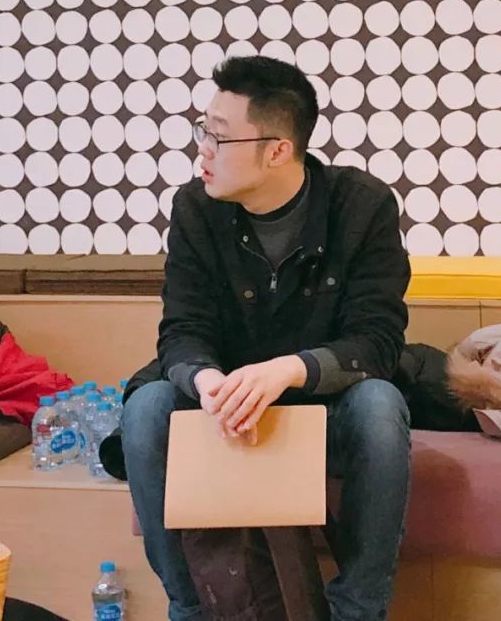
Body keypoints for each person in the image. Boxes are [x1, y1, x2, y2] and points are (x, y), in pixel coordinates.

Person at [121, 55, 412, 621]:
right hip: (224, 405)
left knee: (380, 405)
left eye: (219, 136)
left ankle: (357, 611)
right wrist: (208, 382)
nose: (203, 150)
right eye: (203, 130)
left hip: (322, 405)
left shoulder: (362, 205)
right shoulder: (195, 208)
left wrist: (286, 370)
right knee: (146, 407)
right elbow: (182, 330)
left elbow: (377, 340)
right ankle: (190, 610)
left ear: (278, 150)